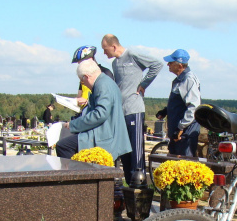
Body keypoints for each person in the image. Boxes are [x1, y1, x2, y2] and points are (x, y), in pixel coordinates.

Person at [101, 34, 163, 184]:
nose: (104, 53)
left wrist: (144, 84)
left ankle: (139, 188)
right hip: (121, 112)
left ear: (114, 46)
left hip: (134, 110)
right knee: (125, 152)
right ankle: (129, 185)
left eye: (105, 49)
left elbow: (157, 64)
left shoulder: (132, 54)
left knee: (136, 153)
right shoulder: (115, 64)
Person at [55, 59, 131, 162]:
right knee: (67, 143)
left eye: (82, 81)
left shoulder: (102, 84)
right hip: (107, 132)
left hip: (104, 136)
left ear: (86, 76)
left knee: (63, 146)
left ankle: (78, 176)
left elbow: (100, 114)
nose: (84, 84)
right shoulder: (105, 82)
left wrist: (74, 124)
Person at [156, 49, 201, 157]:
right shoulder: (179, 80)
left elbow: (193, 107)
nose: (168, 64)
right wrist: (166, 111)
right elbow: (180, 102)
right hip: (177, 132)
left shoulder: (188, 79)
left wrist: (180, 128)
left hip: (185, 133)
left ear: (180, 65)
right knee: (173, 166)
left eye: (171, 62)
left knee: (184, 167)